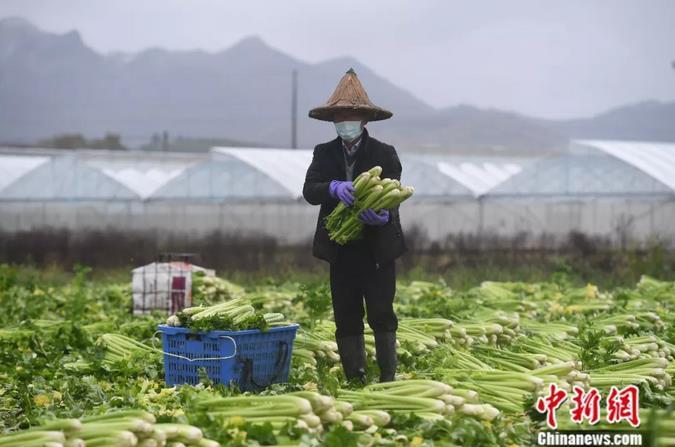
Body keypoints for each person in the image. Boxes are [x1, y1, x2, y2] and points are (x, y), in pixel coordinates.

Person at [303, 68, 406, 383]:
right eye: (339, 116)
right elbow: (310, 191)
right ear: (333, 120)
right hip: (341, 247)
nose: (344, 122)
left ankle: (388, 376)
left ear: (363, 120)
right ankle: (356, 377)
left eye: (351, 115)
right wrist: (332, 188)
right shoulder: (324, 153)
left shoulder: (384, 154)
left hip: (376, 248)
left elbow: (393, 194)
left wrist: (383, 216)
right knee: (346, 313)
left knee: (380, 311)